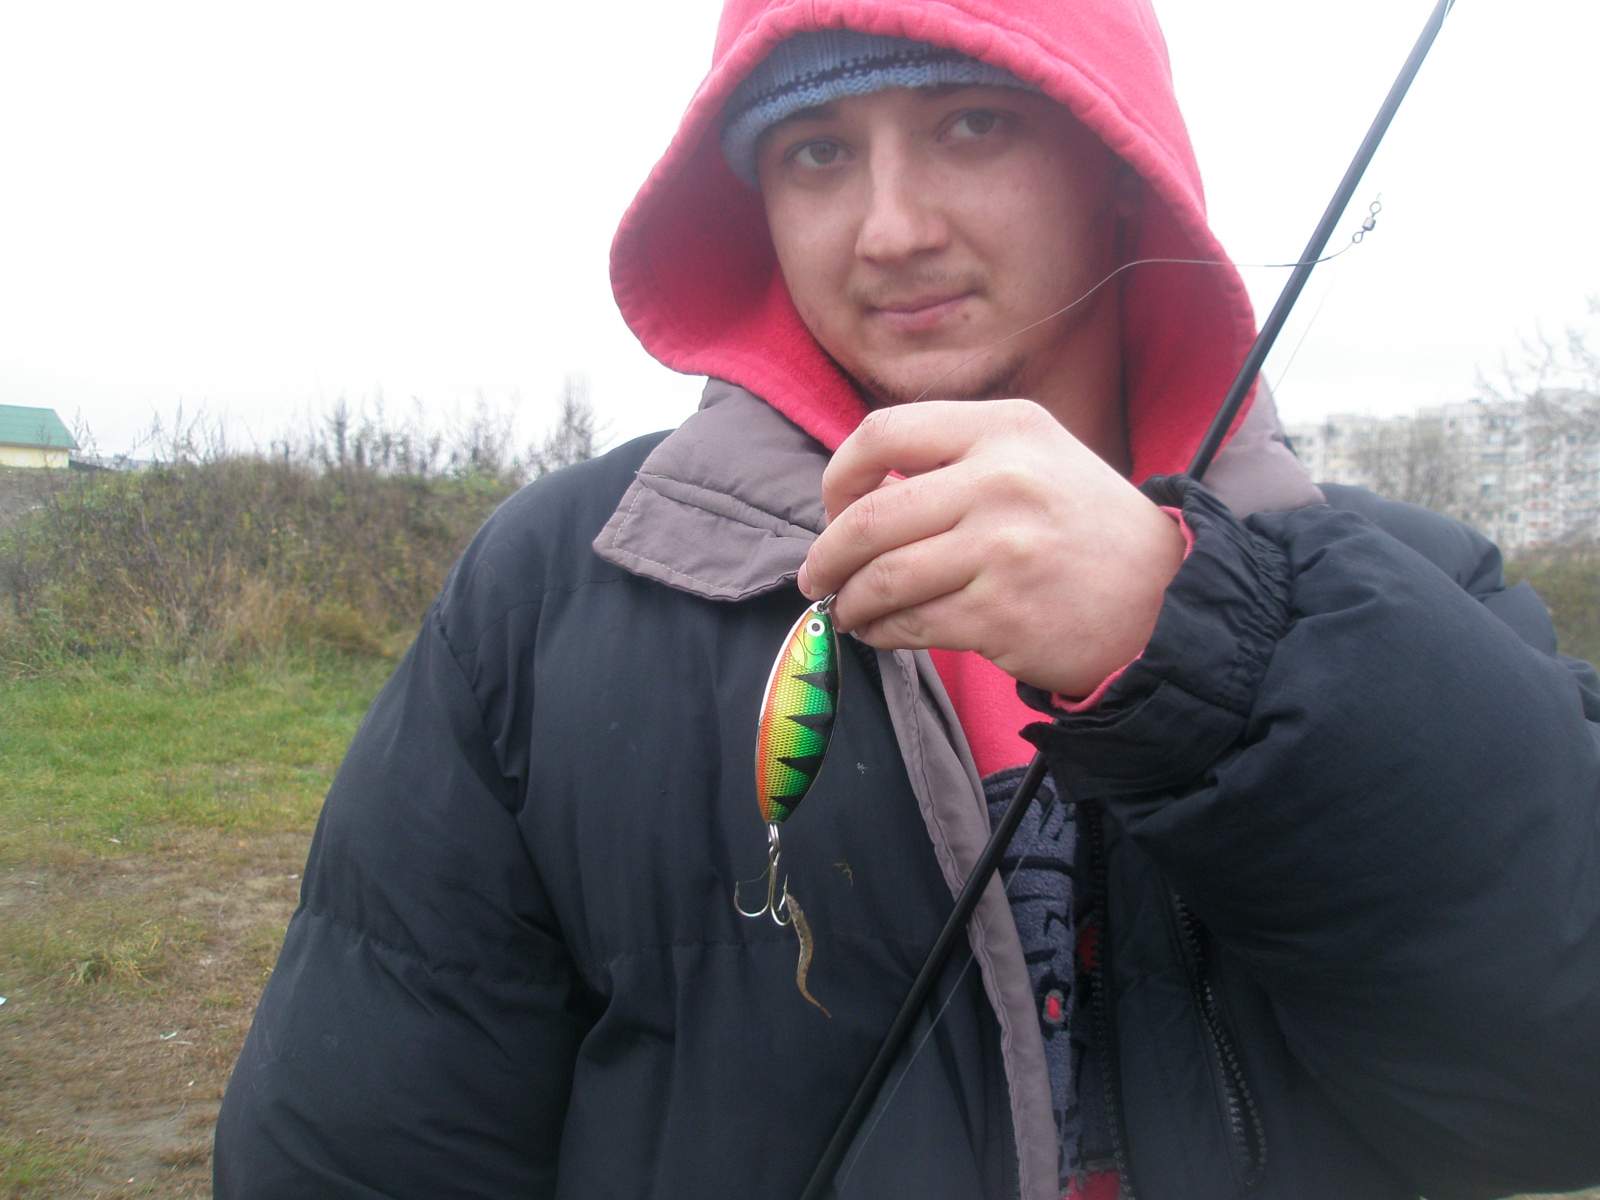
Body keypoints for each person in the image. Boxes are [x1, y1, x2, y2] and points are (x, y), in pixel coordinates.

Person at [213, 0, 1600, 1196]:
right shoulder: (551, 587)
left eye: (972, 125)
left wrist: (1206, 647)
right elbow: (360, 1148)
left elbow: (1558, 1086)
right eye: (817, 152)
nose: (890, 229)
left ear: (1115, 163)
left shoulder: (1401, 590)